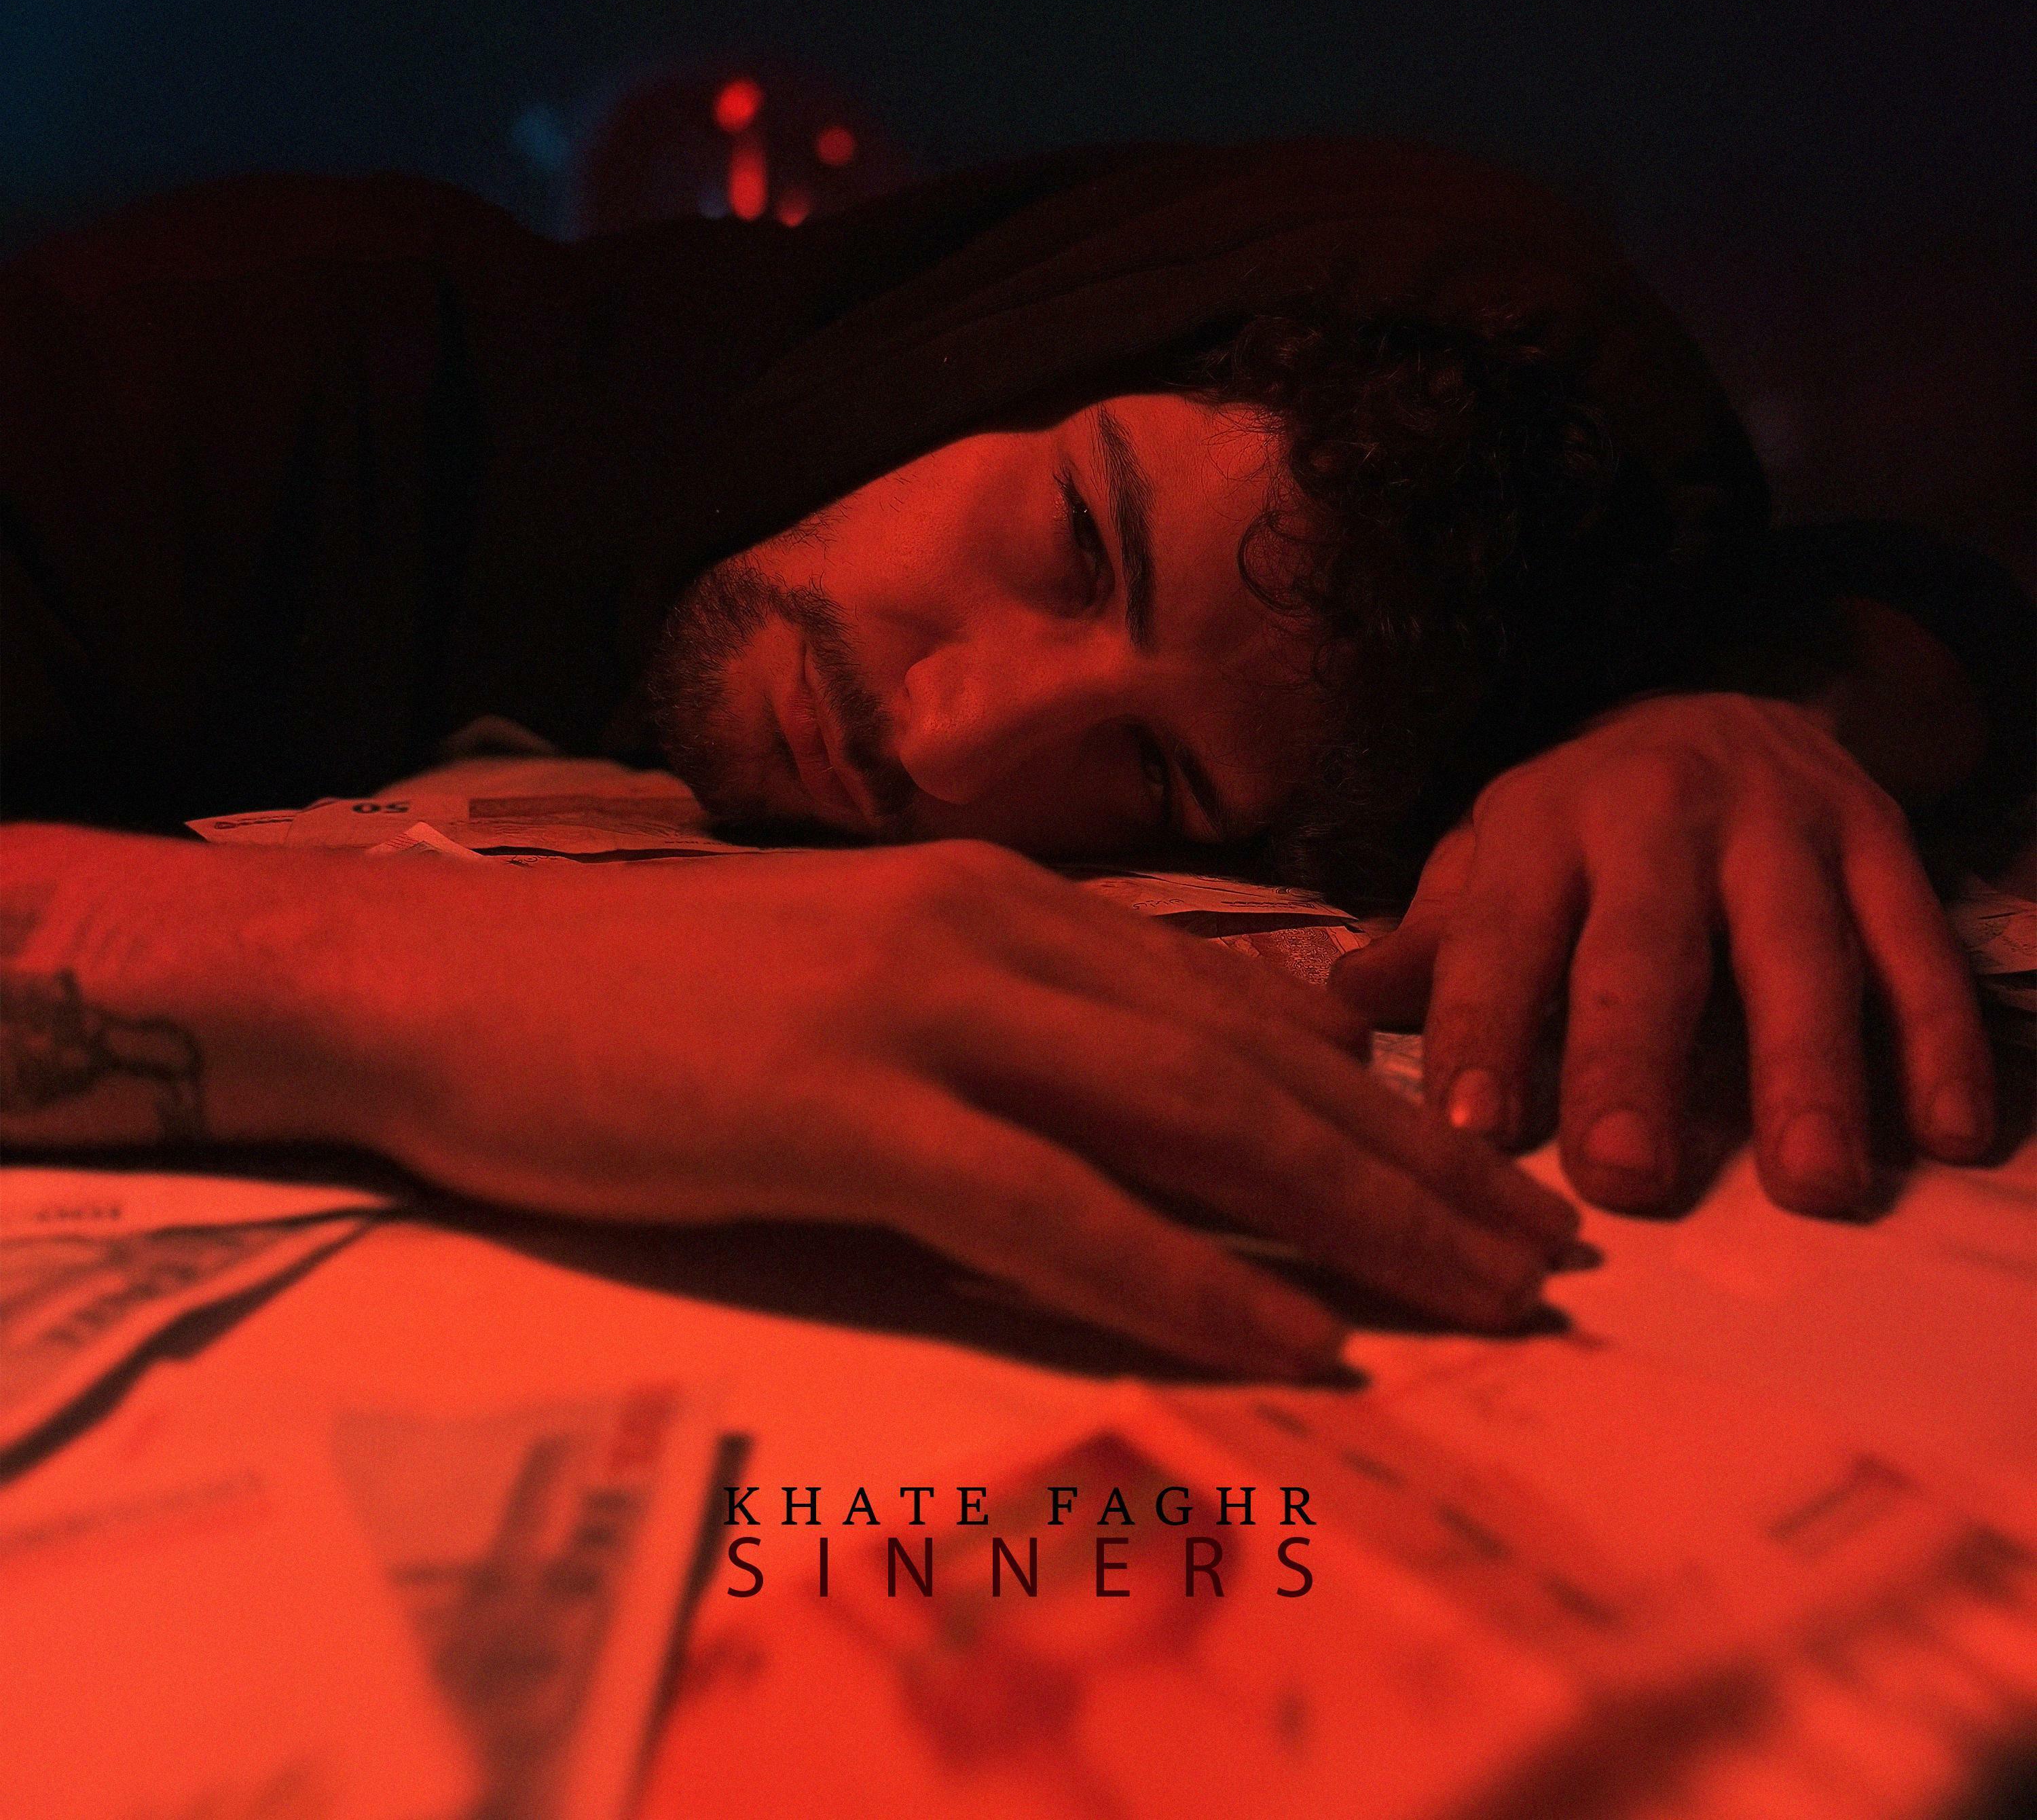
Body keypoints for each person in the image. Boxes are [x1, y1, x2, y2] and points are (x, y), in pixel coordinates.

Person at [3, 141, 2030, 1378]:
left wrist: (1732, 717)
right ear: (1000, 345)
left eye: (1149, 773)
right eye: (1078, 541)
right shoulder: (266, 361)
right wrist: (437, 988)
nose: (954, 739)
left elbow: (1919, 583)